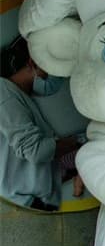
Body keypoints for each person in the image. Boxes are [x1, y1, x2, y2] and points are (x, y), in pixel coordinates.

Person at [0, 35, 82, 210]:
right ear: (33, 63)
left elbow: (36, 160)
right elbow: (36, 152)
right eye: (51, 68)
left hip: (34, 203)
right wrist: (77, 142)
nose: (55, 76)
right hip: (22, 203)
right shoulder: (4, 93)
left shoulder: (17, 97)